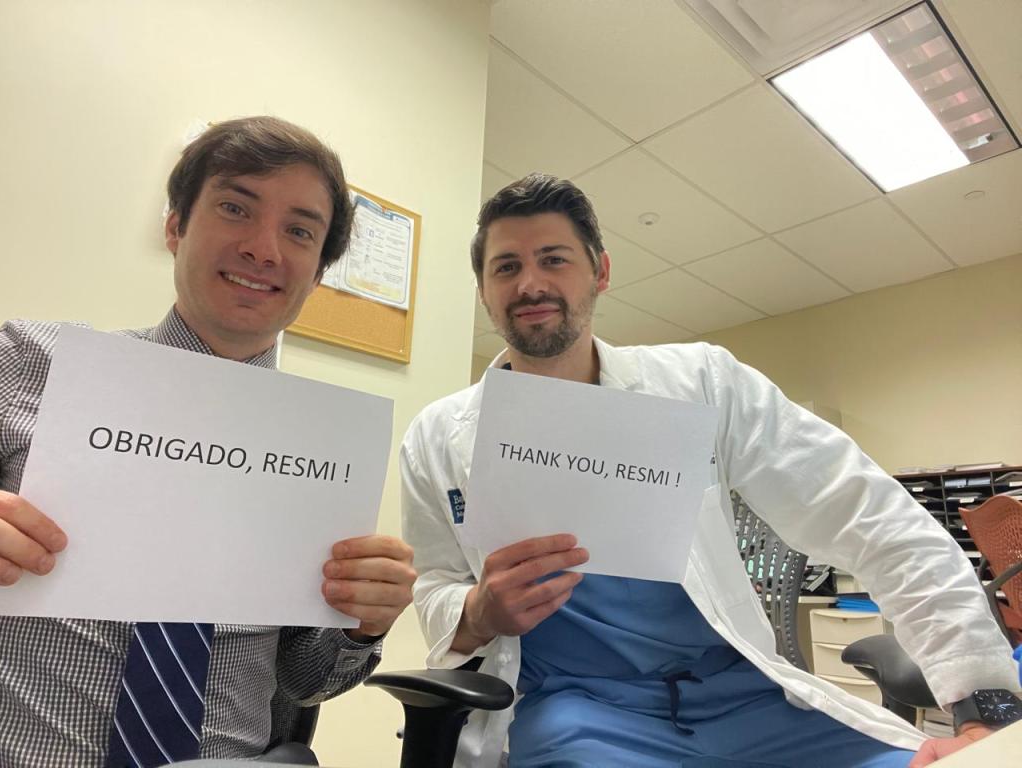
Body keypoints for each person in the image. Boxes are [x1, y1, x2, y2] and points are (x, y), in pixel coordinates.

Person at [400, 173, 1021, 767]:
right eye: (506, 267)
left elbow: (867, 512)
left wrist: (982, 710)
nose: (530, 283)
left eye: (555, 259)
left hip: (747, 699)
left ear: (601, 272)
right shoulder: (435, 438)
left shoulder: (702, 382)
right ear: (483, 289)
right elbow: (433, 587)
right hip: (583, 714)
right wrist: (478, 611)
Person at [0, 116, 416, 766]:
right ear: (175, 226)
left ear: (318, 272)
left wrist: (365, 623)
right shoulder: (30, 360)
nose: (264, 248)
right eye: (234, 207)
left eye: (300, 231)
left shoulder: (325, 447)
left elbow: (310, 681)